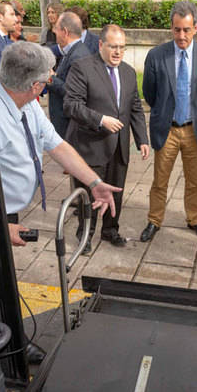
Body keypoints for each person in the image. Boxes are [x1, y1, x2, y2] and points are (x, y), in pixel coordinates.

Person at [0, 41, 121, 252]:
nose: (51, 81)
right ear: (36, 86)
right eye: (49, 78)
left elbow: (57, 145)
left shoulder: (27, 101)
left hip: (9, 210)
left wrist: (94, 182)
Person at [64, 25, 150, 253]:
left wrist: (142, 138)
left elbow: (135, 108)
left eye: (122, 47)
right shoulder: (82, 68)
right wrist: (101, 119)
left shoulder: (129, 72)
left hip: (120, 147)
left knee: (116, 192)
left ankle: (111, 230)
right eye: (113, 47)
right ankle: (85, 235)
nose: (117, 52)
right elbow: (71, 105)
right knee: (91, 196)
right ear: (101, 45)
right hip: (92, 146)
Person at [139, 1, 197, 242]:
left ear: (195, 27)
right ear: (171, 28)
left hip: (194, 129)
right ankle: (154, 220)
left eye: (186, 29)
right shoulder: (156, 55)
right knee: (159, 181)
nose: (181, 35)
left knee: (194, 182)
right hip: (167, 129)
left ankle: (194, 219)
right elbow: (149, 93)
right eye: (176, 30)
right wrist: (164, 111)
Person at [45, 12, 91, 138]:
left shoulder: (78, 56)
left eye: (56, 30)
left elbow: (72, 92)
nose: (54, 33)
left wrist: (50, 78)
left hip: (68, 125)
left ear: (65, 32)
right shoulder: (74, 51)